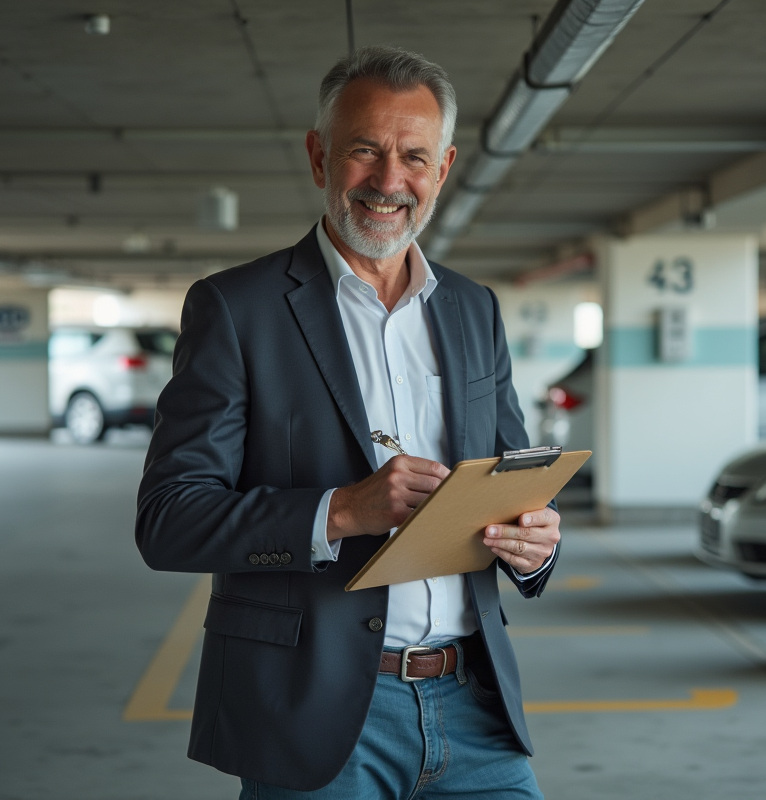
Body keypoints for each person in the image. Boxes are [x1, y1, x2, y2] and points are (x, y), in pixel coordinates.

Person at [136, 45, 562, 799]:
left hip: (476, 709)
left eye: (413, 157)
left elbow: (506, 479)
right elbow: (170, 519)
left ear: (445, 166)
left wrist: (533, 545)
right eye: (364, 151)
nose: (389, 181)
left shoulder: (473, 309)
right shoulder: (238, 309)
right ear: (318, 155)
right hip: (314, 714)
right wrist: (342, 510)